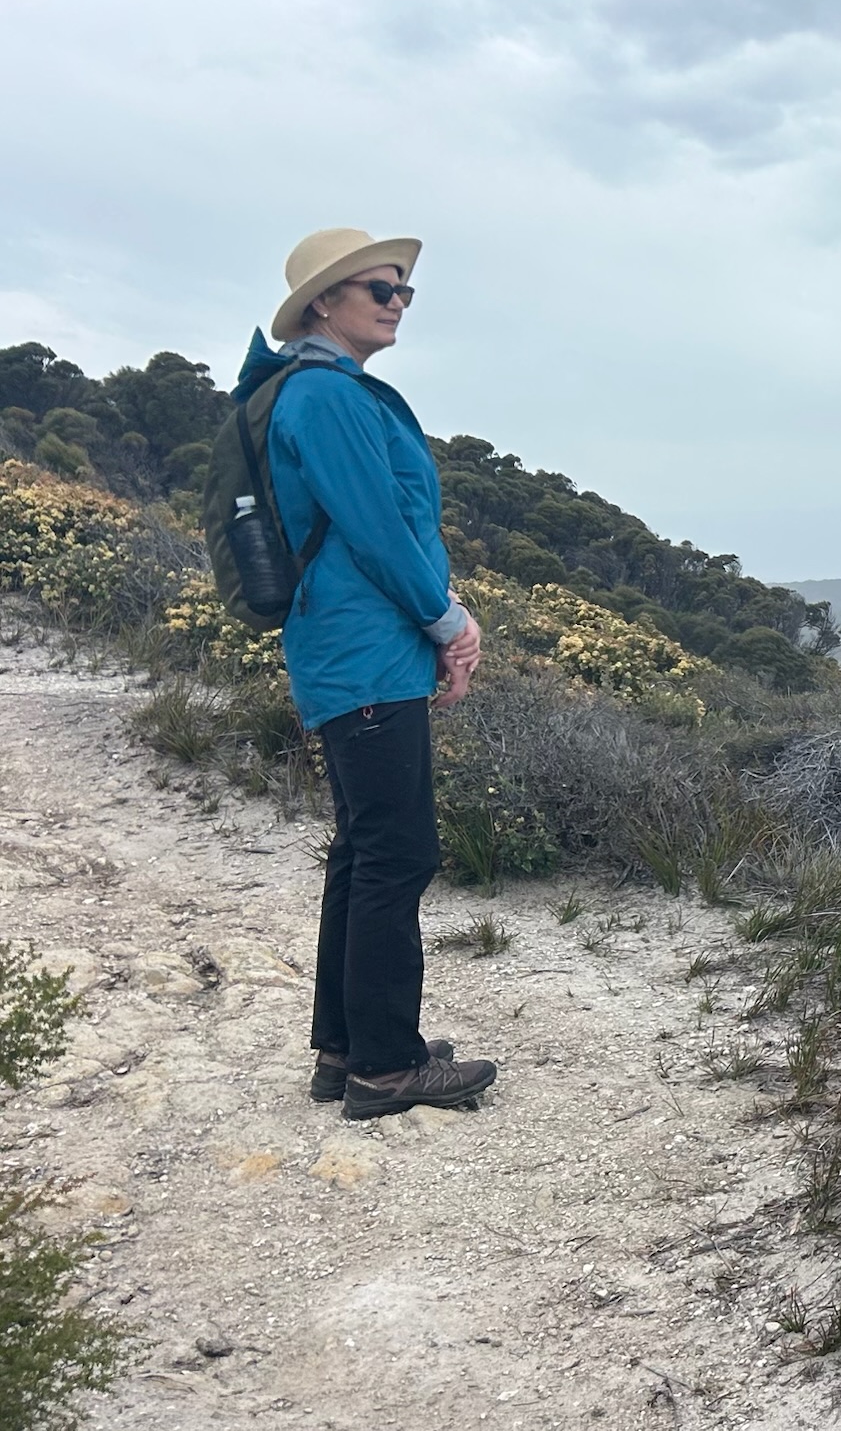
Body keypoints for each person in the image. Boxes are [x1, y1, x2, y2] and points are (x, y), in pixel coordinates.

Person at [230, 227, 499, 1120]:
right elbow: (379, 529)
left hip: (352, 651)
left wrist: (436, 615)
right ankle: (386, 1068)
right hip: (364, 654)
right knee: (397, 854)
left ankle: (344, 1049)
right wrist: (448, 620)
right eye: (378, 289)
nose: (394, 303)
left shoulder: (322, 393)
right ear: (323, 302)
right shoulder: (326, 397)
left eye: (402, 292)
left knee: (363, 851)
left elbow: (387, 528)